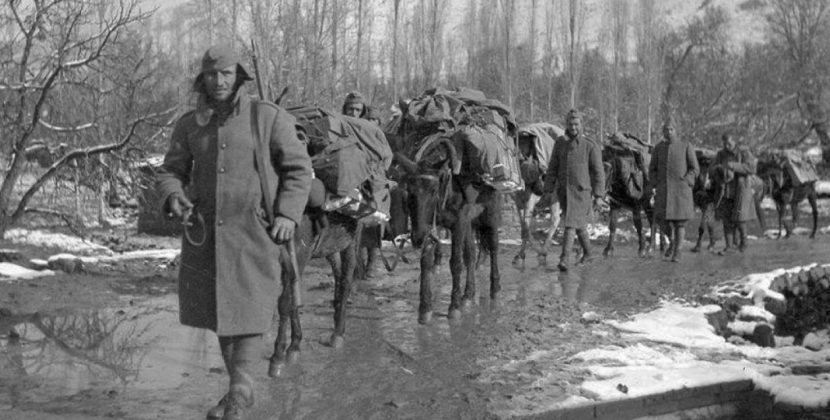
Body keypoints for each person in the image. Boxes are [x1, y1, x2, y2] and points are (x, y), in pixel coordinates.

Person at [156, 45, 312, 420]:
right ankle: (239, 387)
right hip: (206, 234)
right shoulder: (189, 124)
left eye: (226, 74)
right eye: (212, 75)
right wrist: (174, 195)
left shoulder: (267, 117)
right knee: (220, 311)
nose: (219, 81)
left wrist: (288, 214)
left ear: (239, 76)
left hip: (254, 232)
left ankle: (241, 389)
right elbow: (170, 170)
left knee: (252, 307)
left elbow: (298, 169)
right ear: (203, 79)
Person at [543, 109, 605, 272]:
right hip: (564, 192)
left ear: (581, 125)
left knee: (570, 225)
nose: (573, 127)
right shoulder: (560, 144)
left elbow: (599, 172)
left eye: (576, 124)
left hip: (581, 192)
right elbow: (552, 167)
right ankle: (589, 253)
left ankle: (564, 259)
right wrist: (548, 186)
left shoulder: (589, 146)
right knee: (579, 226)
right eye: (570, 124)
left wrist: (599, 195)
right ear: (566, 125)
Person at [648, 118, 699, 262]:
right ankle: (672, 241)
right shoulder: (658, 148)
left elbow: (695, 168)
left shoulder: (685, 146)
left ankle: (677, 252)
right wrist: (654, 184)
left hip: (681, 192)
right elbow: (652, 169)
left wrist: (687, 181)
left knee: (679, 223)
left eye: (671, 129)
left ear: (676, 131)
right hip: (663, 191)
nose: (668, 132)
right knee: (660, 219)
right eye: (666, 130)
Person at [713, 132, 757, 253]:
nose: (727, 146)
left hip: (741, 189)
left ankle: (744, 242)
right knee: (726, 219)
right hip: (725, 191)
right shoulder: (720, 154)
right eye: (724, 143)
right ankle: (729, 246)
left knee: (740, 218)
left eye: (729, 143)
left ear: (734, 141)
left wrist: (733, 166)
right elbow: (714, 169)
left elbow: (751, 168)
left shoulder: (744, 153)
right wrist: (720, 170)